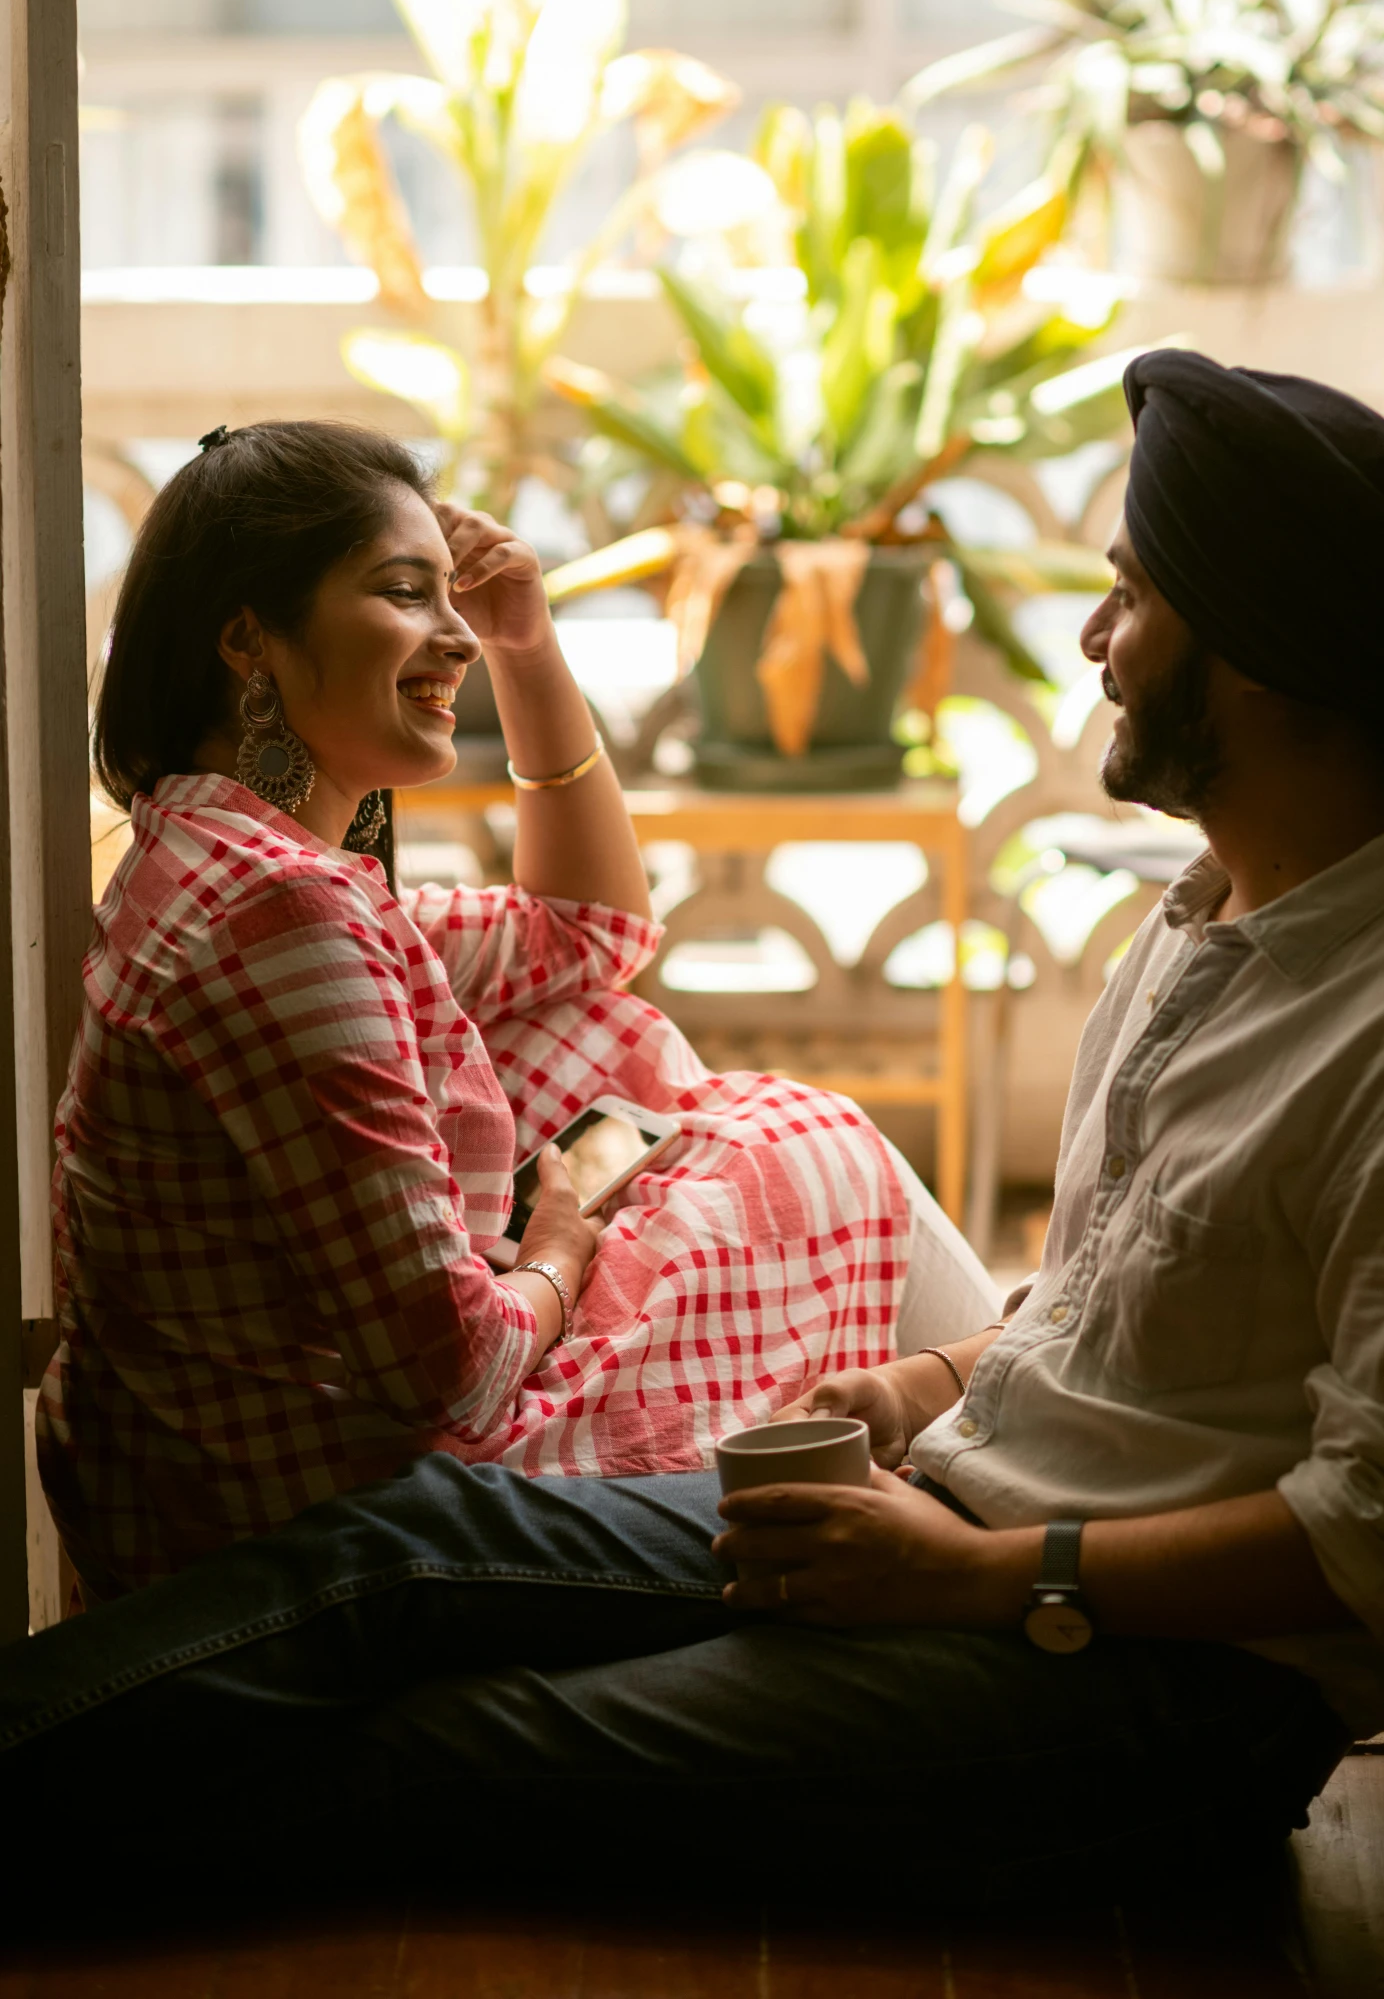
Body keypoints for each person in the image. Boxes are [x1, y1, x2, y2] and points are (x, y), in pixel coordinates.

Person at [6, 353, 1384, 1895]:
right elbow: (1105, 1306)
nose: (1090, 640)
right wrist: (909, 1389)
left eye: (1131, 600)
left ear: (1262, 657)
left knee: (449, 1739)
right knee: (402, 1549)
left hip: (1155, 1694)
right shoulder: (1200, 926)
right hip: (954, 1501)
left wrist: (967, 1571)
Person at [39, 419, 996, 1602]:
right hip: (332, 1518)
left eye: (454, 601)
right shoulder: (279, 912)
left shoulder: (209, 850)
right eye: (402, 593)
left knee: (597, 1032)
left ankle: (995, 1384)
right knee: (806, 1143)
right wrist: (554, 1250)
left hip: (220, 1464)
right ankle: (1003, 1421)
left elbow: (592, 933)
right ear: (251, 638)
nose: (454, 638)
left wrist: (528, 644)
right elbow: (453, 1373)